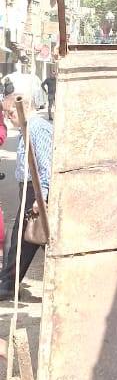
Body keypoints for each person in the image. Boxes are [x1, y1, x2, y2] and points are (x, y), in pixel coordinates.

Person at [0, 75, 52, 301]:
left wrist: (42, 197)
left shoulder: (37, 128)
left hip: (35, 190)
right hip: (28, 189)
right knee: (28, 237)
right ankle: (8, 282)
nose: (8, 117)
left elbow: (46, 165)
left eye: (10, 113)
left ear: (22, 108)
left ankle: (8, 284)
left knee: (26, 237)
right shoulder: (25, 128)